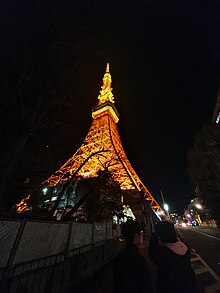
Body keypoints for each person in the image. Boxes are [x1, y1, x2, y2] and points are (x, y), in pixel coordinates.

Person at [148, 221, 197, 293]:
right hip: (189, 284)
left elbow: (152, 254)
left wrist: (154, 237)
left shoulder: (163, 253)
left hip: (170, 287)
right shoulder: (185, 246)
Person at [113, 220, 152, 293]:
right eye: (140, 234)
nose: (141, 236)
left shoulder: (118, 257)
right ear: (136, 236)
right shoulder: (139, 259)